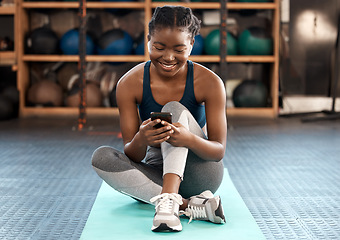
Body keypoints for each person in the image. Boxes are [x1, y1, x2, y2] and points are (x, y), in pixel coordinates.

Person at [92, 5, 227, 232]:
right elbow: (133, 154)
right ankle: (185, 204)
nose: (168, 57)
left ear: (192, 44)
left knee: (173, 107)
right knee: (101, 158)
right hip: (155, 174)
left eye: (179, 49)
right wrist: (141, 139)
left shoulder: (210, 82)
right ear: (148, 41)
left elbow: (218, 151)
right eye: (159, 47)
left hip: (200, 174)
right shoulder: (128, 83)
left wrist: (189, 140)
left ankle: (168, 203)